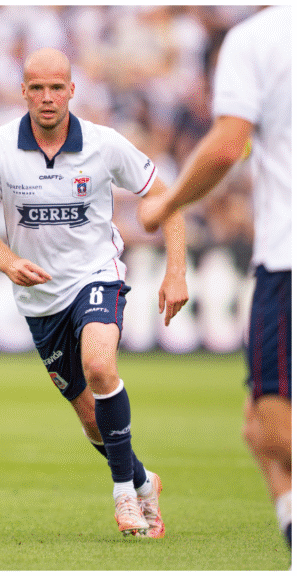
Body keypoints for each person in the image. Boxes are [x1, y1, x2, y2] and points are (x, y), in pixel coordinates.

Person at [0, 48, 189, 538]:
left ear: (72, 90)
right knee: (91, 418)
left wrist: (176, 271)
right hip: (40, 299)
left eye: (56, 87)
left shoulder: (104, 144)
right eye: (37, 88)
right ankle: (142, 480)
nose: (47, 97)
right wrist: (9, 262)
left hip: (95, 275)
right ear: (23, 92)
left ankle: (123, 495)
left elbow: (165, 198)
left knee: (100, 366)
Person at [138, 5, 291, 549]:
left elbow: (227, 146)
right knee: (257, 429)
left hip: (288, 259)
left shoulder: (257, 39)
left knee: (272, 424)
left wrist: (167, 204)